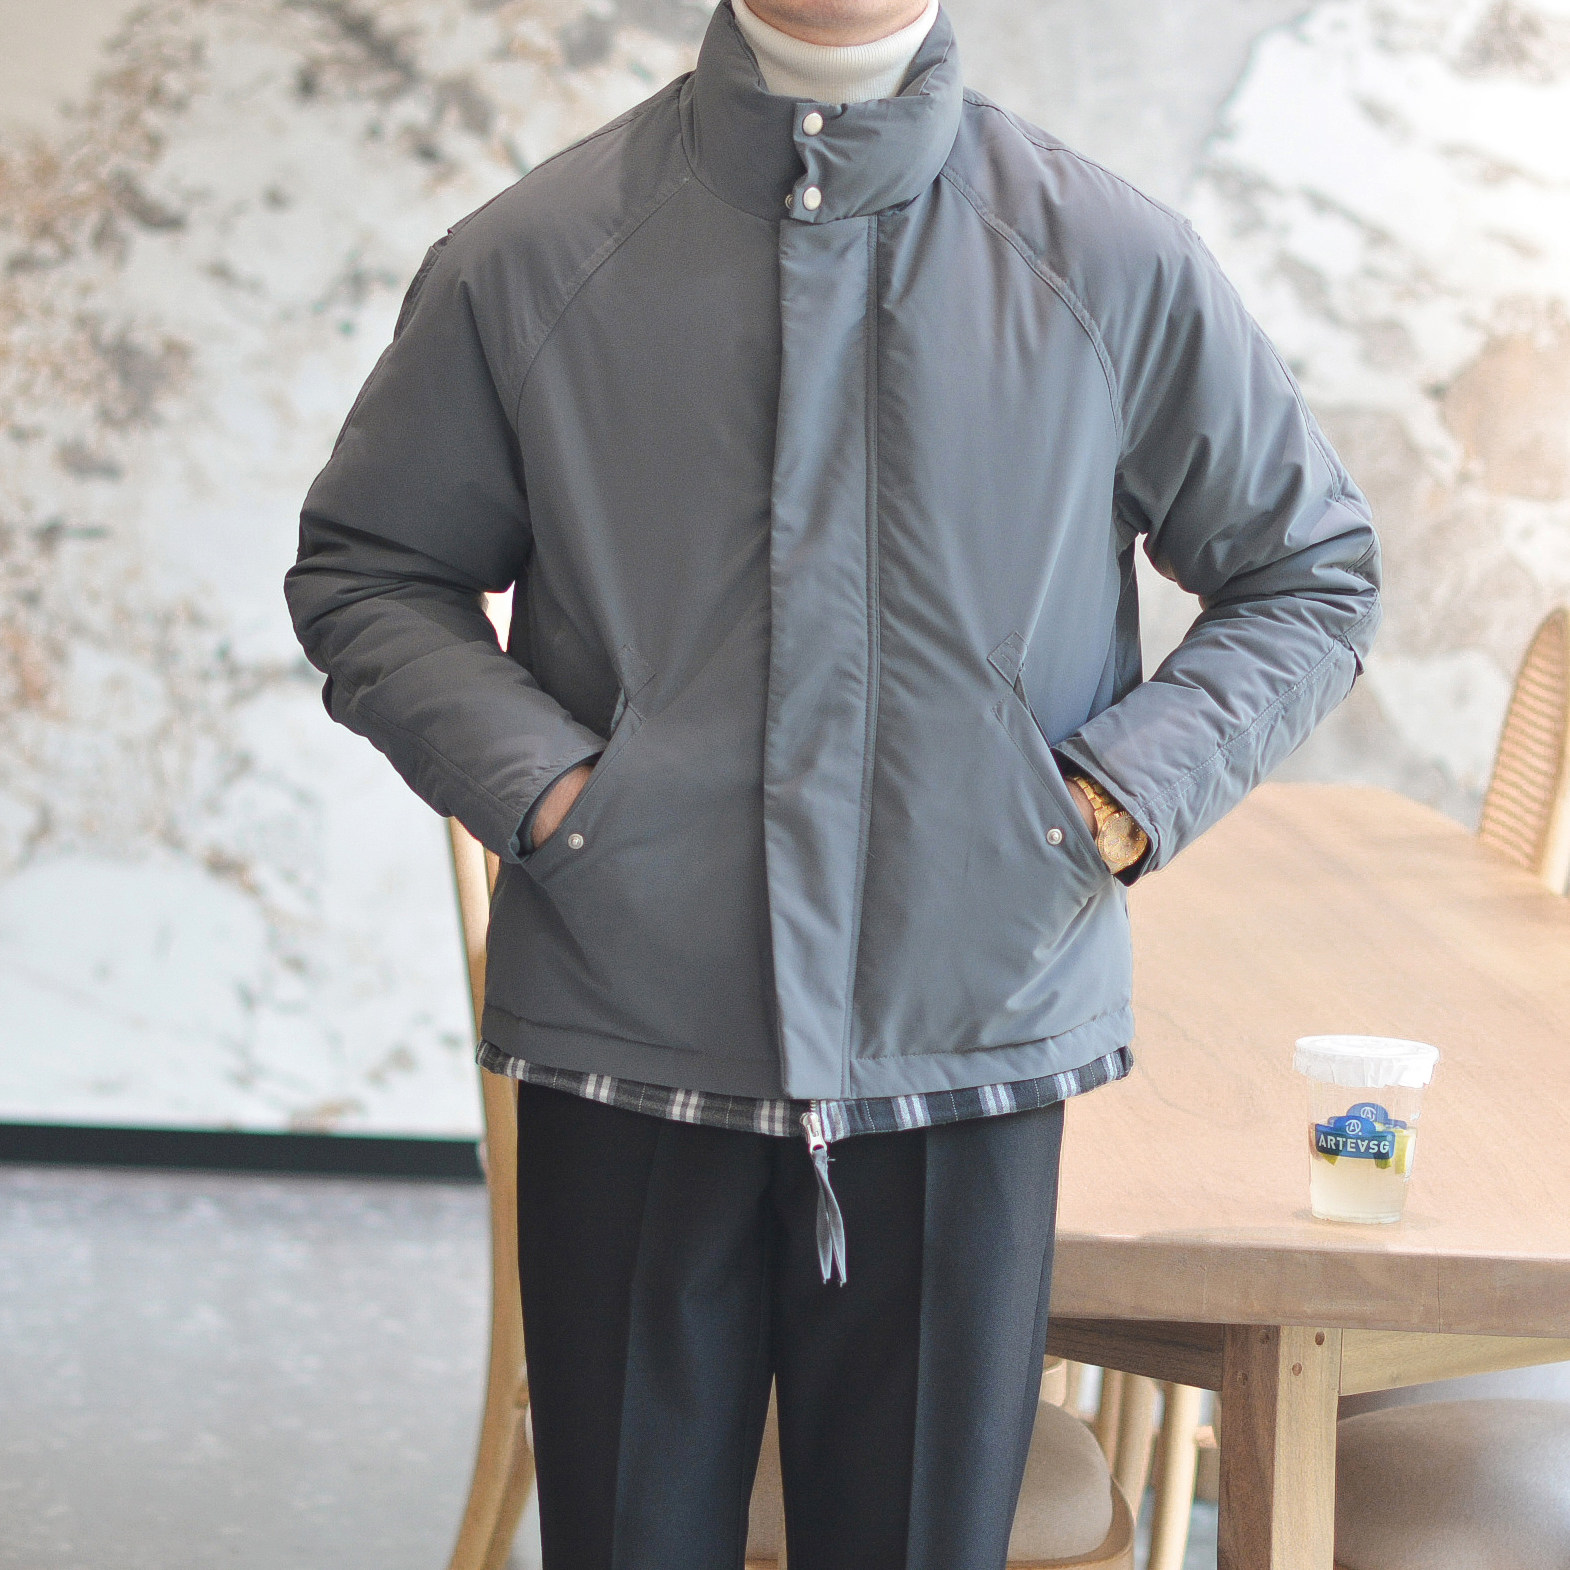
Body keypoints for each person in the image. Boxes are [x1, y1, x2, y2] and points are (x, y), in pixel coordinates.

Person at [284, 0, 1381, 1564]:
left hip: (966, 1033)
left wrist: (1103, 804)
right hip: (629, 1024)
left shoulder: (1106, 260)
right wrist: (561, 802)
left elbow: (1306, 572)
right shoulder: (537, 254)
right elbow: (372, 568)